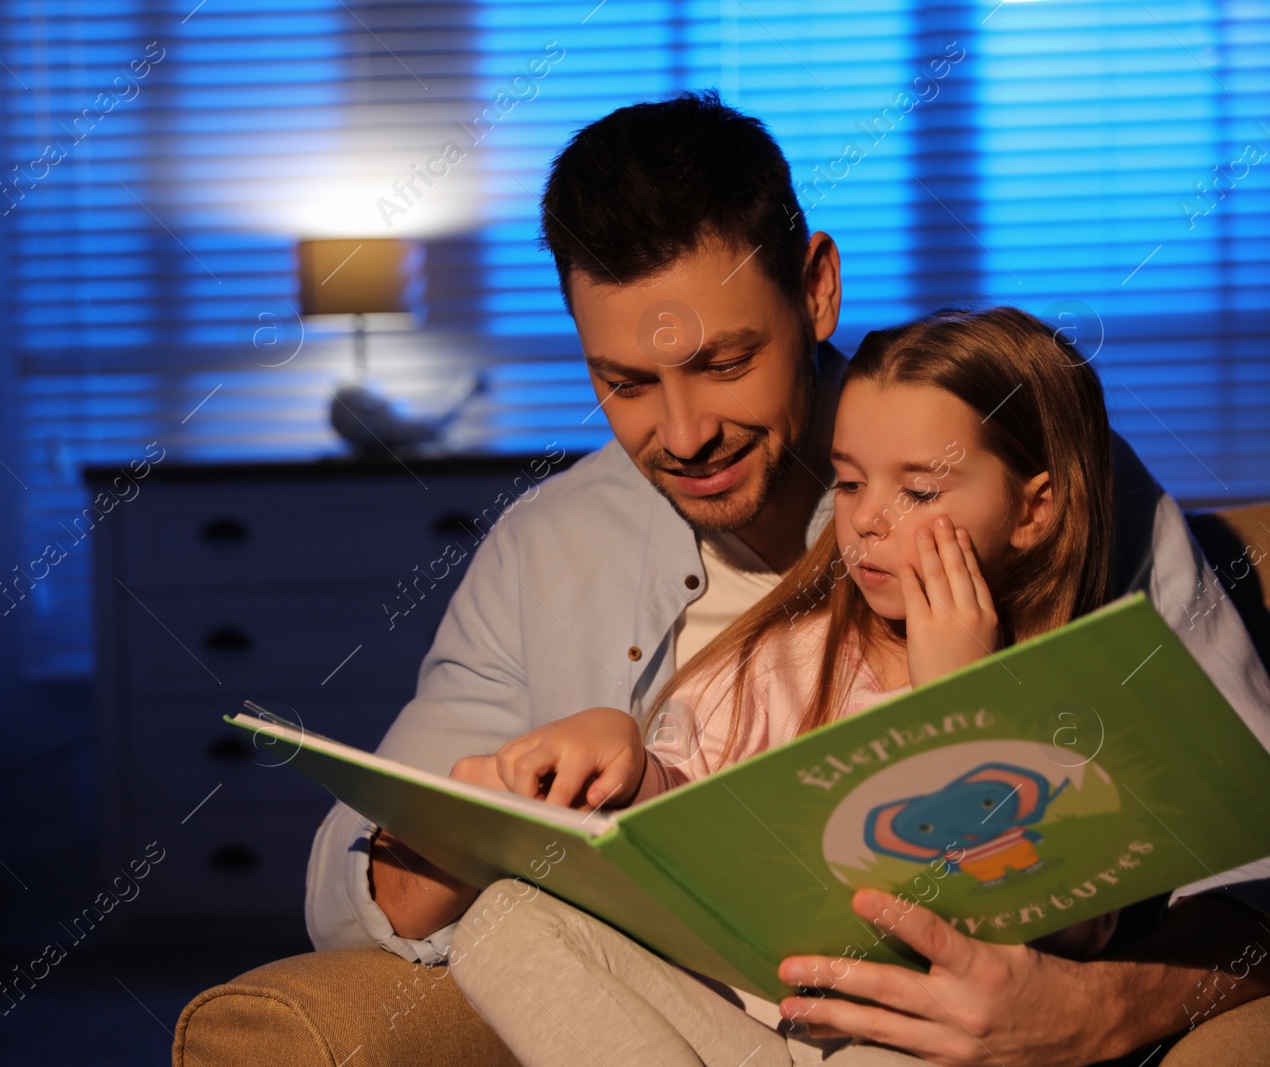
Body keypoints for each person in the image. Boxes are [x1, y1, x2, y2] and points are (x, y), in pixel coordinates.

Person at [303, 91, 1270, 1064]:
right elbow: (346, 894)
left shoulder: (1026, 480)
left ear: (815, 289)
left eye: (725, 362)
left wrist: (1092, 1008)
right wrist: (501, 812)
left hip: (940, 1009)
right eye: (626, 383)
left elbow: (1252, 863)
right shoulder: (546, 543)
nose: (682, 436)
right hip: (731, 1019)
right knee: (504, 913)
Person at [443, 306, 1127, 1066]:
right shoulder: (788, 660)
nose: (868, 520)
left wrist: (961, 711)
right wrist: (634, 772)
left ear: (1033, 509)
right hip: (758, 1036)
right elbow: (694, 832)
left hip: (916, 1042)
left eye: (921, 492)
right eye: (849, 481)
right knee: (503, 916)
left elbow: (1074, 935)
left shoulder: (1080, 698)